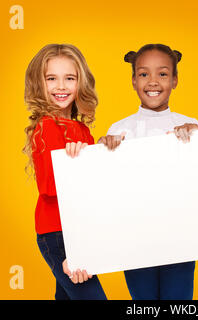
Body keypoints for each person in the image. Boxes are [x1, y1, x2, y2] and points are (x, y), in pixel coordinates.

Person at [98, 44, 198, 300]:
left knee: (177, 301)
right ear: (133, 81)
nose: (152, 81)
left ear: (175, 80)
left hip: (179, 236)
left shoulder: (190, 125)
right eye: (144, 74)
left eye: (162, 74)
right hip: (135, 238)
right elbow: (107, 184)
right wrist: (102, 151)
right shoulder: (120, 129)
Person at [23, 44, 107, 300]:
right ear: (39, 83)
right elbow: (49, 187)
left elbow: (95, 184)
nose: (61, 86)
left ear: (80, 82)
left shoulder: (81, 130)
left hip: (78, 228)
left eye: (69, 78)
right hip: (58, 233)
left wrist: (102, 153)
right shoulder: (47, 126)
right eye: (51, 78)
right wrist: (78, 162)